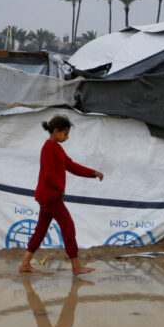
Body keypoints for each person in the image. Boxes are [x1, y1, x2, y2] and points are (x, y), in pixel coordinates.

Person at [18, 115, 104, 276]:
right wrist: (60, 188)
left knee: (41, 230)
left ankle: (25, 263)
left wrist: (92, 173)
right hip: (50, 197)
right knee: (68, 226)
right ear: (56, 131)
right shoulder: (48, 148)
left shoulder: (56, 148)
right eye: (65, 133)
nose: (67, 137)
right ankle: (76, 266)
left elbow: (71, 166)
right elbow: (48, 175)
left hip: (48, 197)